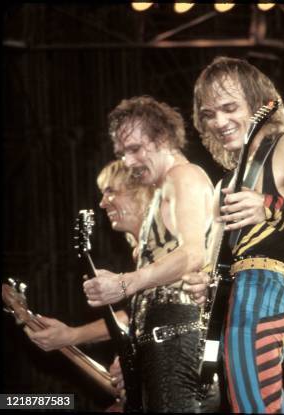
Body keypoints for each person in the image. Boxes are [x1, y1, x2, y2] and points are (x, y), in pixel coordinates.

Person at [182, 57, 284, 413]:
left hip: (264, 291)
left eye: (230, 108)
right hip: (228, 305)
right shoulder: (225, 185)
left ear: (261, 104)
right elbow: (214, 263)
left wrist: (271, 208)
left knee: (256, 405)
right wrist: (205, 283)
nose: (219, 121)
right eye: (209, 114)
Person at [82, 96, 216, 412]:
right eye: (122, 153)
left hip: (180, 339)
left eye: (135, 149)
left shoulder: (183, 177)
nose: (128, 162)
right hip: (162, 342)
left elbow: (192, 254)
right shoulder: (161, 191)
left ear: (164, 140)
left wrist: (125, 283)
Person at [25, 160, 150, 400]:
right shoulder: (140, 252)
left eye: (110, 191)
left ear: (139, 191)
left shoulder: (162, 246)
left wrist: (72, 336)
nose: (102, 203)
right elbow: (136, 316)